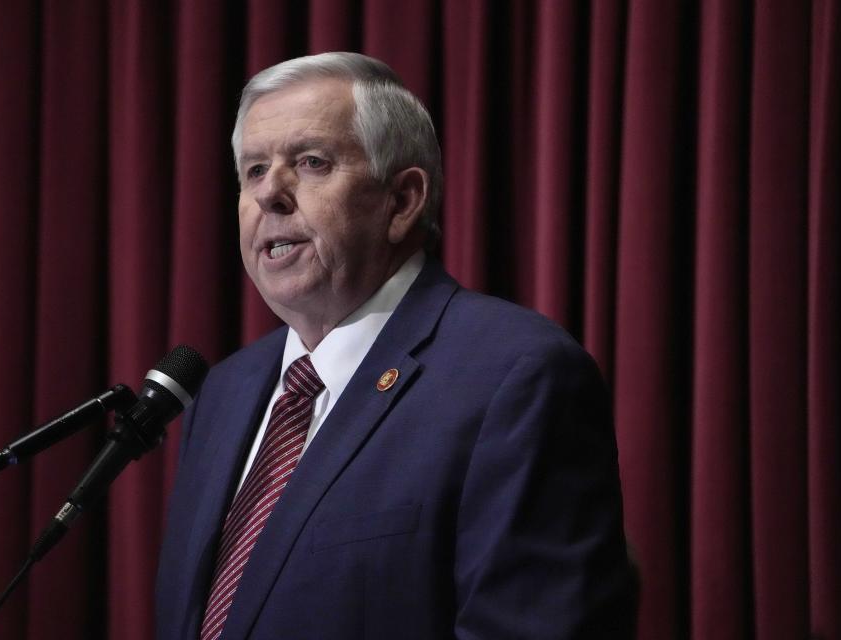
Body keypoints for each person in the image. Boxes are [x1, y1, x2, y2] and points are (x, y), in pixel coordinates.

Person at [155, 52, 636, 640]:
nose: (270, 195)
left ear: (402, 201)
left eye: (310, 162)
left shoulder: (515, 376)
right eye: (254, 170)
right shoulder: (222, 393)